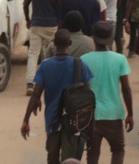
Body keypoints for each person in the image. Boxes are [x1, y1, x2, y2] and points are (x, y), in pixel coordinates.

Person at [21, 29, 94, 163]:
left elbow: (35, 95)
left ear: (54, 43)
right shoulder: (79, 64)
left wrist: (26, 120)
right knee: (69, 159)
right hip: (72, 121)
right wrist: (88, 124)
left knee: (52, 158)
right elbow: (88, 96)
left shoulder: (45, 65)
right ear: (70, 43)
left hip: (52, 120)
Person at [81, 21, 133, 164]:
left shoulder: (83, 60)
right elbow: (126, 89)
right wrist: (131, 114)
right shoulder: (120, 59)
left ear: (93, 37)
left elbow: (81, 90)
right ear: (111, 38)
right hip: (114, 114)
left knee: (92, 153)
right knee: (117, 150)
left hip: (92, 116)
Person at [23, 0, 59, 96]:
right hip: (52, 25)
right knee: (55, 54)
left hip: (36, 24)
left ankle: (30, 84)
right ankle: (53, 81)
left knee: (33, 54)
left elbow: (26, 4)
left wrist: (28, 20)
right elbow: (59, 5)